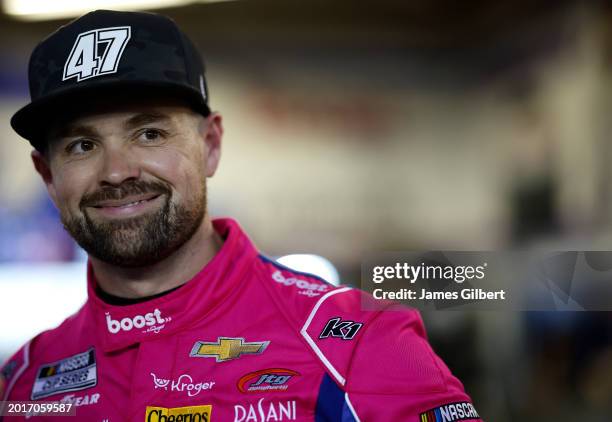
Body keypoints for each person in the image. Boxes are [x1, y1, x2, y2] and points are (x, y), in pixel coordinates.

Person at [0, 10, 482, 422]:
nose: (117, 172)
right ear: (47, 174)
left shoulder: (358, 344)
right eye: (82, 146)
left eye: (149, 133)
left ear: (210, 146)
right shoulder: (21, 385)